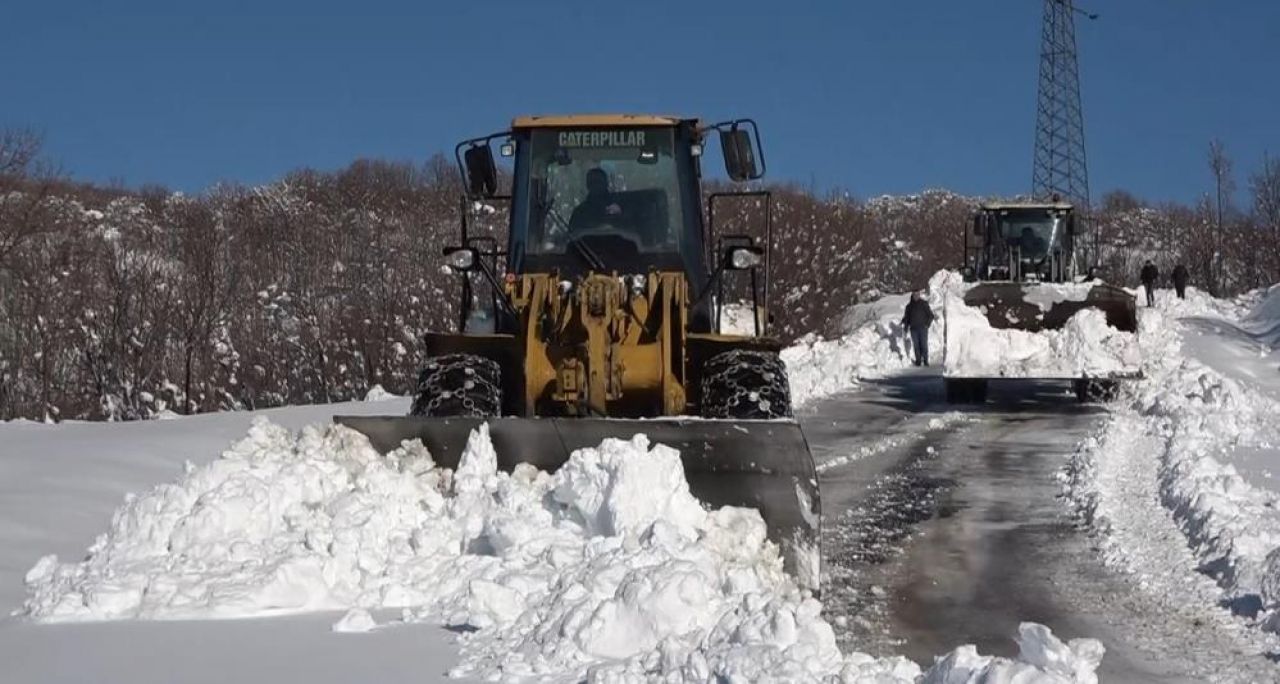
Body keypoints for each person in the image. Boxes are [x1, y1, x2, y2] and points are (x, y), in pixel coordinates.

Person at [568, 168, 624, 234]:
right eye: (592, 182)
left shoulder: (619, 207)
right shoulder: (579, 212)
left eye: (598, 182)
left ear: (606, 183)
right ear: (587, 185)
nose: (596, 186)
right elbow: (572, 235)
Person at [901, 291, 935, 367]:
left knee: (924, 345)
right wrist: (905, 327)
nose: (916, 296)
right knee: (916, 345)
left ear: (919, 295)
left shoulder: (924, 304)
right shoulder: (909, 306)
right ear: (912, 295)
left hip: (923, 328)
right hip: (913, 329)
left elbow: (931, 315)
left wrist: (927, 324)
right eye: (914, 294)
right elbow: (907, 318)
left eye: (917, 294)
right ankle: (918, 361)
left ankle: (925, 360)